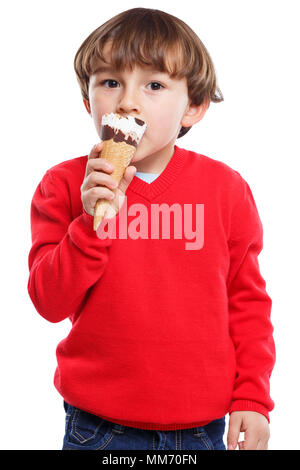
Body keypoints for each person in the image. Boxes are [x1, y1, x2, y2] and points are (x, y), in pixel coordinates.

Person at [27, 7, 275, 451]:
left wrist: (252, 397)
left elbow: (247, 302)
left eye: (154, 85)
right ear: (88, 102)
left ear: (193, 108)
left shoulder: (227, 189)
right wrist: (89, 222)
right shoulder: (63, 185)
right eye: (110, 82)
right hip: (98, 424)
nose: (128, 101)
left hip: (202, 424)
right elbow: (48, 302)